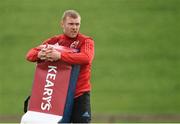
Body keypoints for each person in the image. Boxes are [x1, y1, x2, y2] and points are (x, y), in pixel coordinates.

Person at [25, 10, 94, 123]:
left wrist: (60, 56)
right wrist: (39, 54)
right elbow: (29, 54)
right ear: (62, 24)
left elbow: (86, 58)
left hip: (79, 94)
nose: (74, 27)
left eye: (77, 24)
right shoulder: (55, 41)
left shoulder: (86, 41)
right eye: (71, 24)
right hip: (58, 96)